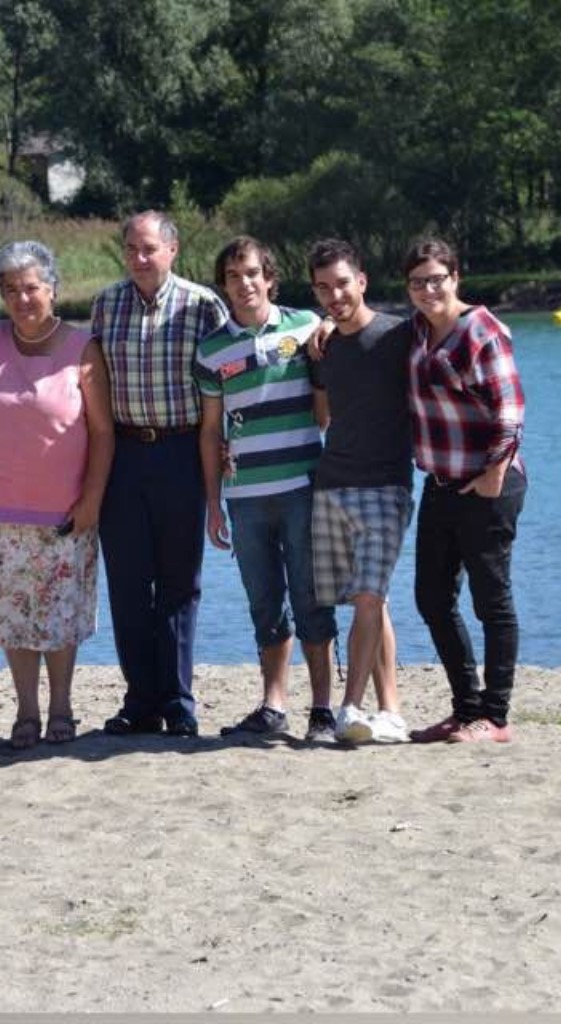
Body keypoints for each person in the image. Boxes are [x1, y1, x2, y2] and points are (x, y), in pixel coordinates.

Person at [194, 236, 338, 742]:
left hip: (303, 487)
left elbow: (328, 394)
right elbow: (210, 432)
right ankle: (274, 706)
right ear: (223, 286)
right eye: (233, 277)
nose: (244, 284)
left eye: (253, 273)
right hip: (244, 496)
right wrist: (213, 503)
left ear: (270, 278)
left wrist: (329, 326)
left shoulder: (305, 326)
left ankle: (322, 710)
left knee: (312, 598)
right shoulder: (211, 350)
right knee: (265, 603)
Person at [93, 211, 229, 738]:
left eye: (149, 248)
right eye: (131, 248)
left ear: (172, 250)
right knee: (128, 584)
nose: (139, 258)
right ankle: (140, 702)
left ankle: (178, 701)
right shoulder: (106, 304)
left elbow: (228, 379)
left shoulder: (202, 305)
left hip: (182, 452)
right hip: (123, 454)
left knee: (179, 583)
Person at [0, 241, 114, 749]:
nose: (22, 298)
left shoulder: (82, 347)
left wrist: (91, 499)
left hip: (66, 509)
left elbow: (102, 432)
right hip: (0, 506)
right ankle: (26, 712)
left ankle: (61, 708)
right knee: (12, 617)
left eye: (31, 287)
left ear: (52, 289)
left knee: (61, 616)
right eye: (11, 290)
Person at [403, 238, 527, 744]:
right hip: (440, 484)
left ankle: (495, 717)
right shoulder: (416, 330)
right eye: (418, 282)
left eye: (436, 279)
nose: (428, 289)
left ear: (455, 277)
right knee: (432, 598)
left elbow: (510, 411)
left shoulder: (482, 330)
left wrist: (494, 473)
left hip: (488, 484)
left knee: (491, 601)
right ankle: (465, 708)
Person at [306, 238, 414, 744]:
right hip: (332, 485)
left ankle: (349, 707)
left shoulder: (400, 335)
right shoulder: (321, 346)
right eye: (323, 288)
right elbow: (319, 415)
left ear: (363, 281)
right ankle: (391, 710)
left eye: (343, 284)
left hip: (386, 486)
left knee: (369, 595)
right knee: (370, 601)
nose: (335, 296)